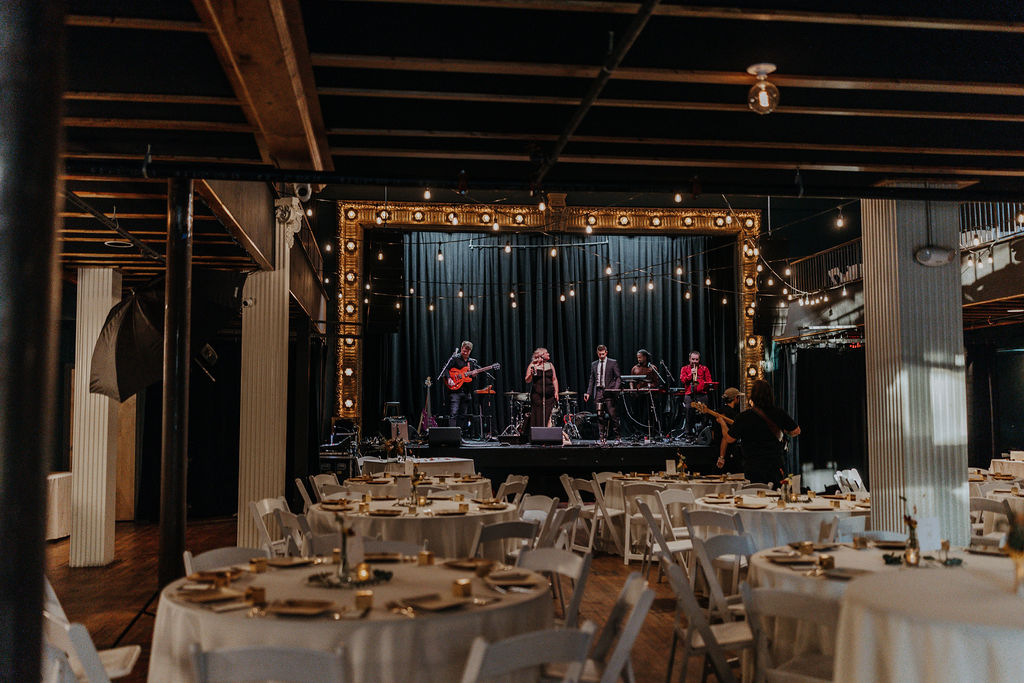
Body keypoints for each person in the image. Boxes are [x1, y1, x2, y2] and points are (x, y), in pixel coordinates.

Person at [716, 379, 799, 488]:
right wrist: (784, 431)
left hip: (753, 465)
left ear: (752, 396)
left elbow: (729, 438)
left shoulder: (744, 417)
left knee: (754, 495)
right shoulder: (779, 413)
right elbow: (796, 431)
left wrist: (722, 423)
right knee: (775, 496)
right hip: (774, 464)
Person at [584, 344, 621, 441]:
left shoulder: (612, 363)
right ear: (597, 353)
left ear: (606, 353)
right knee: (600, 415)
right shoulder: (594, 364)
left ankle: (617, 437)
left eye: (603, 354)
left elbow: (618, 377)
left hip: (609, 392)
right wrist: (588, 393)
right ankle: (602, 437)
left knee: (613, 415)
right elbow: (591, 380)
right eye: (599, 354)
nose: (601, 356)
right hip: (599, 392)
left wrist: (615, 389)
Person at [679, 350, 713, 440]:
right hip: (689, 394)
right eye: (693, 359)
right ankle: (689, 434)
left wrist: (704, 384)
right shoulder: (684, 369)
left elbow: (709, 381)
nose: (694, 361)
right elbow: (683, 381)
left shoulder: (704, 369)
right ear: (689, 359)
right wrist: (691, 374)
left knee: (705, 412)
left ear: (699, 360)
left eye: (696, 359)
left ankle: (702, 433)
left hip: (702, 394)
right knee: (688, 410)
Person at [525, 347, 559, 428]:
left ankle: (546, 434)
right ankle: (538, 435)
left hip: (549, 395)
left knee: (547, 415)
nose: (548, 354)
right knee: (538, 414)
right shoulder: (532, 365)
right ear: (541, 355)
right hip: (537, 395)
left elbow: (554, 379)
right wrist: (531, 374)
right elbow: (527, 380)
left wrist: (556, 392)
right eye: (547, 353)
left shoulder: (550, 365)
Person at [447, 341, 476, 430]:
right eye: (464, 349)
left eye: (468, 350)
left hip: (466, 391)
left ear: (470, 351)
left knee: (463, 415)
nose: (465, 351)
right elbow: (446, 369)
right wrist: (449, 379)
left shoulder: (472, 362)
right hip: (455, 391)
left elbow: (472, 377)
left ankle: (460, 436)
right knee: (454, 413)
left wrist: (474, 375)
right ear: (461, 348)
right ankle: (451, 435)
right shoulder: (455, 359)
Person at [714, 387, 743, 472]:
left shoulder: (719, 411)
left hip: (717, 449)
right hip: (728, 452)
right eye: (738, 397)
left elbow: (713, 433)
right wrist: (722, 456)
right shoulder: (732, 414)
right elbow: (726, 437)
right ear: (735, 398)